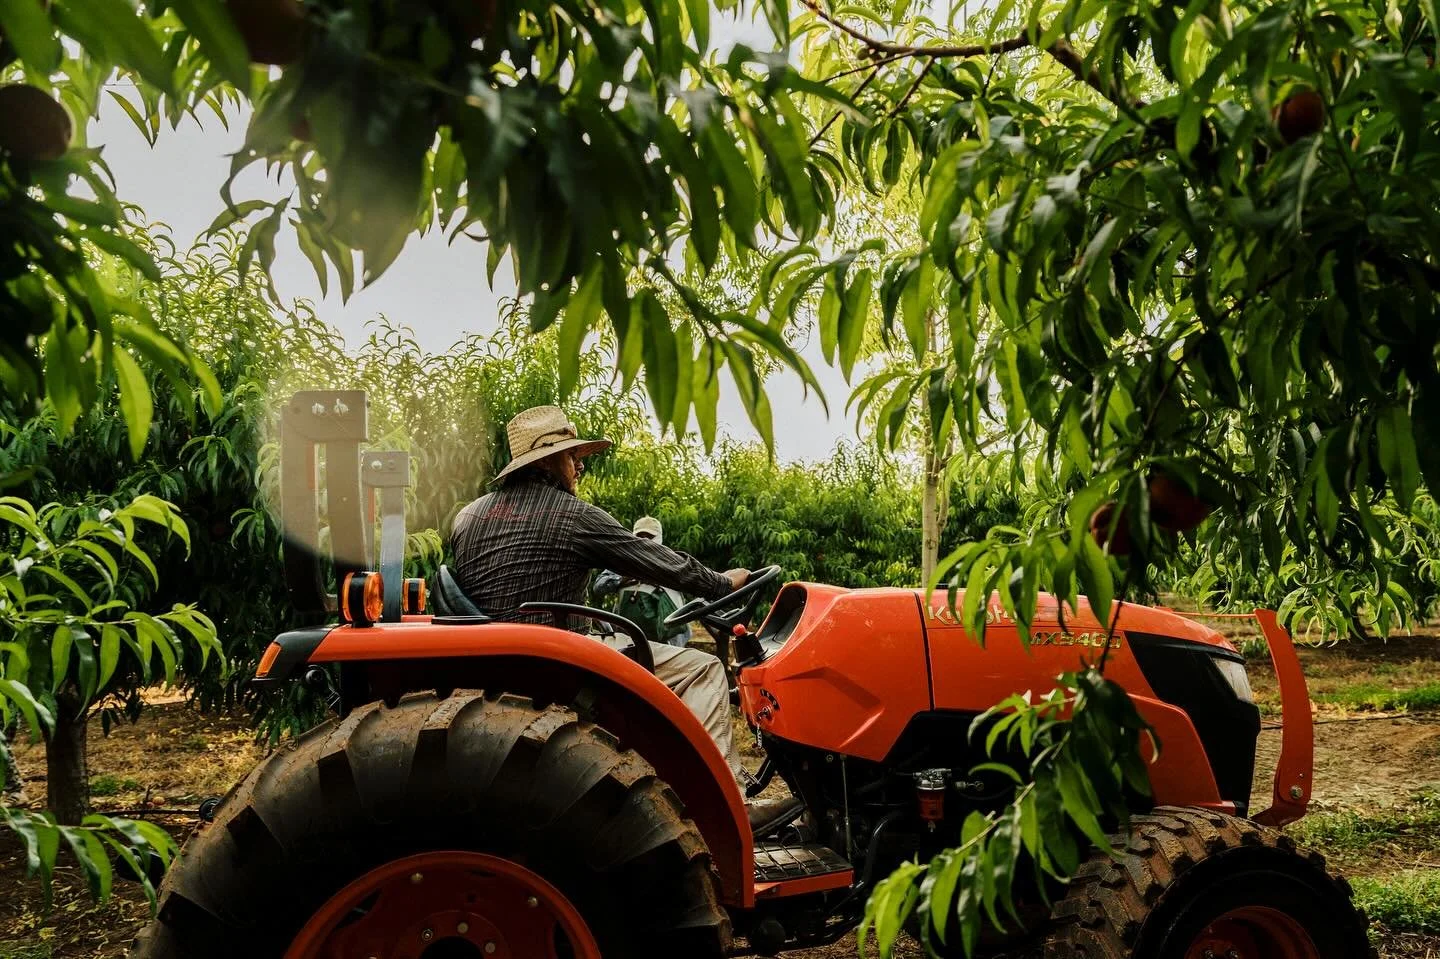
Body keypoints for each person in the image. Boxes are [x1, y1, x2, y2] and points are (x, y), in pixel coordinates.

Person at [451, 406, 800, 833]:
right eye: (570, 455)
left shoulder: (467, 518)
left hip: (505, 663)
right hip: (564, 661)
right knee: (705, 670)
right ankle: (728, 809)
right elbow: (663, 565)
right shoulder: (574, 517)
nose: (579, 464)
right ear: (544, 461)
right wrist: (722, 583)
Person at [592, 516, 693, 647]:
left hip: (669, 638)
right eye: (640, 536)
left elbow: (693, 587)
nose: (645, 540)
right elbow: (598, 587)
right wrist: (623, 579)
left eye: (650, 536)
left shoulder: (673, 561)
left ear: (658, 538)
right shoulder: (624, 562)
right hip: (630, 637)